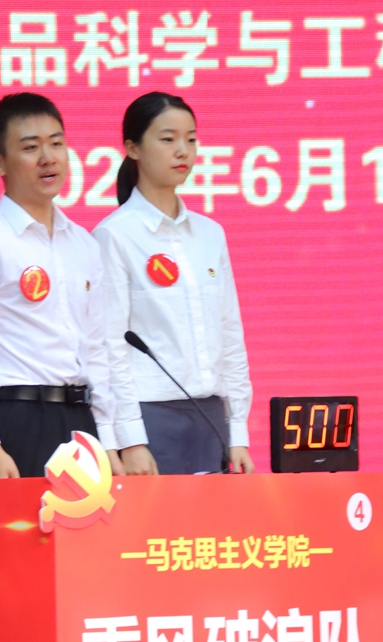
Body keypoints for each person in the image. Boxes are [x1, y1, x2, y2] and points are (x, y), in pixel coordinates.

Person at [0, 92, 124, 479]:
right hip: (17, 420)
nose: (48, 158)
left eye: (56, 143)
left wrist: (108, 441)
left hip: (81, 420)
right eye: (30, 147)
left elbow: (96, 350)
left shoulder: (84, 244)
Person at [92, 91, 255, 476]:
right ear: (132, 148)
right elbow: (109, 344)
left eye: (191, 139)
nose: (183, 150)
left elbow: (230, 334)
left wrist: (237, 431)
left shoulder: (210, 234)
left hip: (211, 416)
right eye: (168, 139)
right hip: (152, 417)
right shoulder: (114, 235)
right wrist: (130, 439)